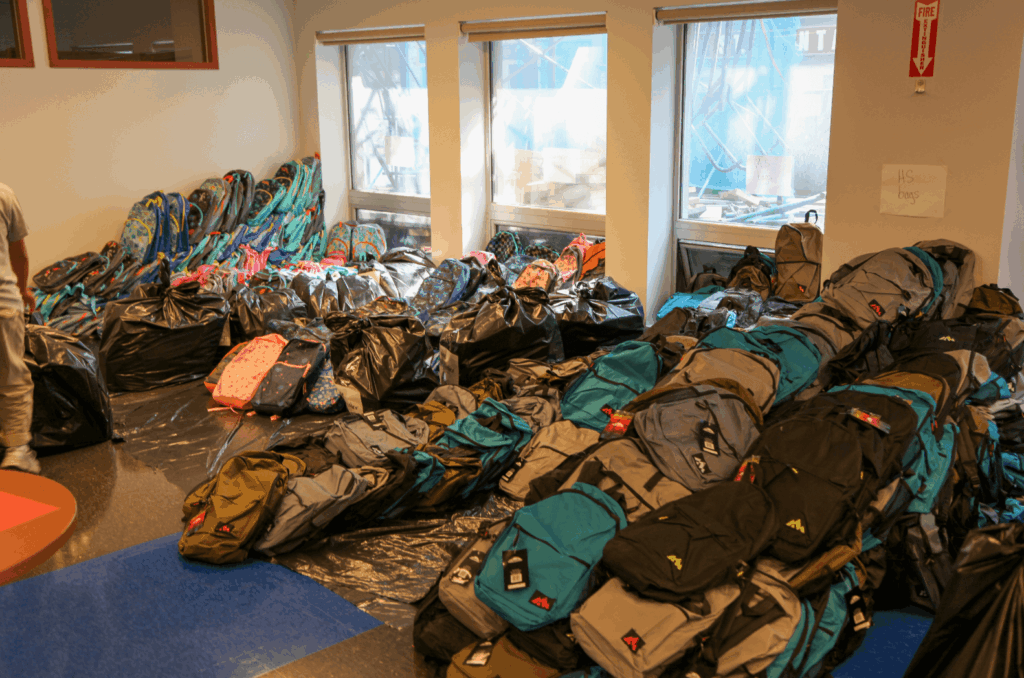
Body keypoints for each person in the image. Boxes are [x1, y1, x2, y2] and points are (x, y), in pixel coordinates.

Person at [0, 183, 38, 474]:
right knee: (12, 376)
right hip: (3, 303)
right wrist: (24, 291)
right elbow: (20, 255)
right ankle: (17, 451)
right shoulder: (4, 194)